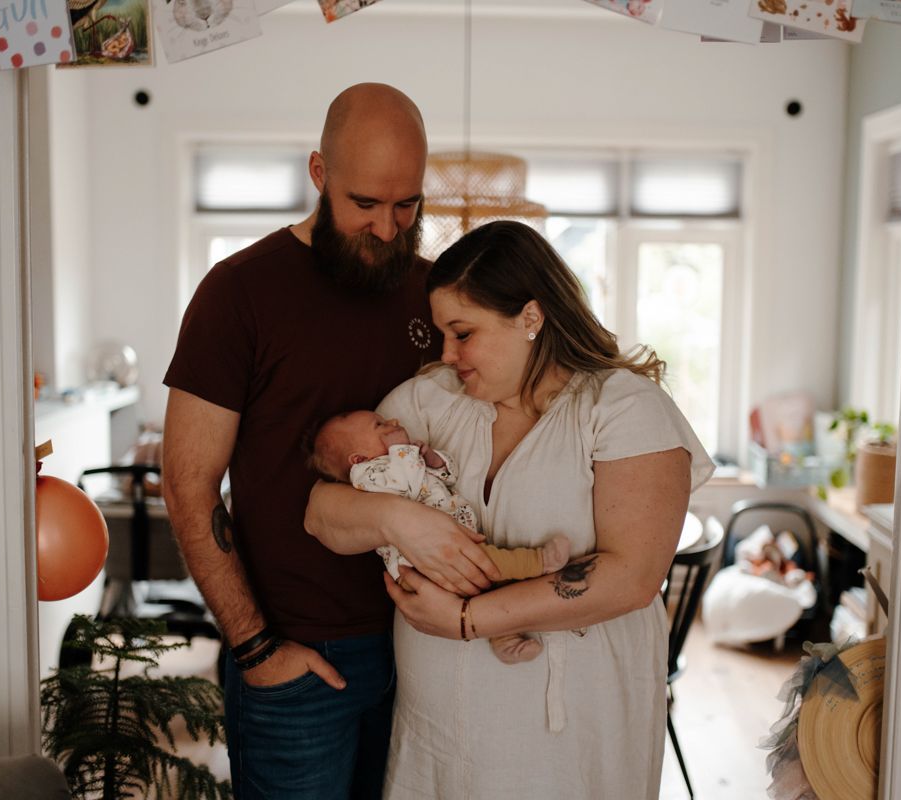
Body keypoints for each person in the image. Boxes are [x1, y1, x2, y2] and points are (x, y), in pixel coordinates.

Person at [161, 83, 501, 800]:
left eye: (407, 205)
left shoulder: (434, 295)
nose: (387, 228)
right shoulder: (238, 293)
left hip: (428, 648)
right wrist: (255, 648)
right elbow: (188, 486)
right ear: (319, 175)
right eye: (365, 205)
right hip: (298, 659)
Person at [305, 220, 715, 799]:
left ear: (530, 317)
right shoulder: (430, 400)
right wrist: (399, 520)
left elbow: (632, 577)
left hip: (567, 731)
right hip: (438, 727)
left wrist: (468, 622)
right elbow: (322, 511)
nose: (446, 352)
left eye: (462, 332)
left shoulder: (624, 409)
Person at [307, 408, 573, 663]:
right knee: (492, 564)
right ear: (358, 458)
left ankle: (506, 641)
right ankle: (539, 562)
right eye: (380, 425)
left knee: (485, 591)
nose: (393, 422)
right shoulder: (366, 476)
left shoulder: (403, 460)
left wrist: (434, 460)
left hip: (442, 553)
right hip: (419, 566)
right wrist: (403, 448)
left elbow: (447, 476)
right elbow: (405, 485)